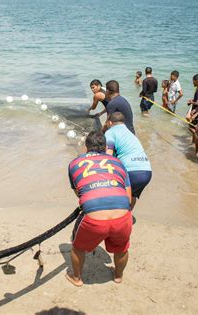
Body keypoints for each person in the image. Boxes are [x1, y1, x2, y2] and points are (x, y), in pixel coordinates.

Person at [66, 131, 132, 287]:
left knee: (77, 247)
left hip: (94, 217)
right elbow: (128, 198)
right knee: (122, 248)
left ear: (86, 146)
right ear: (106, 147)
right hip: (122, 214)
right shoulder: (118, 162)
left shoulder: (74, 163)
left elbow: (78, 192)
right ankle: (118, 276)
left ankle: (77, 278)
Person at [105, 112, 152, 209]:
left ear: (110, 123)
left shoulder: (110, 132)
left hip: (131, 172)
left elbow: (108, 155)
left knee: (116, 195)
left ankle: (118, 218)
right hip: (147, 171)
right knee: (132, 195)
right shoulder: (130, 133)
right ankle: (127, 216)